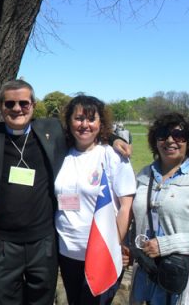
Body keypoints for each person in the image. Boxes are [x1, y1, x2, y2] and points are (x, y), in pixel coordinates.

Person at [0, 79, 131, 304]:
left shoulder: (50, 130)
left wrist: (114, 139)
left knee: (43, 300)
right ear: (1, 107)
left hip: (44, 241)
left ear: (33, 105)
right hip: (4, 242)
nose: (17, 109)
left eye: (24, 103)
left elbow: (86, 131)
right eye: (10, 104)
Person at [130, 112, 189, 305]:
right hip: (150, 274)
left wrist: (166, 245)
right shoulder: (144, 174)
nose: (169, 140)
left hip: (187, 280)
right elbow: (136, 219)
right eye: (163, 134)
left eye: (178, 135)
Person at [54, 95, 135, 304]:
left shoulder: (113, 156)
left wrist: (117, 243)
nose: (84, 125)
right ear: (69, 122)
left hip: (102, 251)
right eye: (79, 118)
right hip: (67, 251)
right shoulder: (61, 153)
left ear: (101, 123)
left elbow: (126, 207)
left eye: (91, 119)